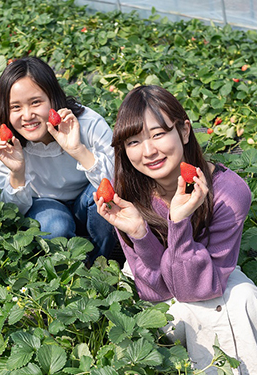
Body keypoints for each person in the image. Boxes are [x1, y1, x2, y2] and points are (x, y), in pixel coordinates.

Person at [94, 85, 257, 374]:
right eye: (133, 141)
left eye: (158, 134)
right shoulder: (128, 195)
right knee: (191, 313)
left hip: (209, 272)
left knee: (243, 300)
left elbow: (200, 287)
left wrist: (179, 221)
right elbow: (155, 290)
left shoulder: (229, 193)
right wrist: (140, 235)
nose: (148, 151)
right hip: (154, 279)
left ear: (183, 131)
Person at [0, 57, 117, 265]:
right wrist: (17, 172)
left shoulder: (87, 124)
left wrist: (77, 150)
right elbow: (10, 213)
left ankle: (99, 264)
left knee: (102, 196)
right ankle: (69, 270)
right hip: (43, 205)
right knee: (54, 226)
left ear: (53, 98)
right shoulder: (2, 141)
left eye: (35, 102)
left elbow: (118, 185)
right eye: (16, 107)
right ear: (5, 109)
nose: (27, 115)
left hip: (86, 202)